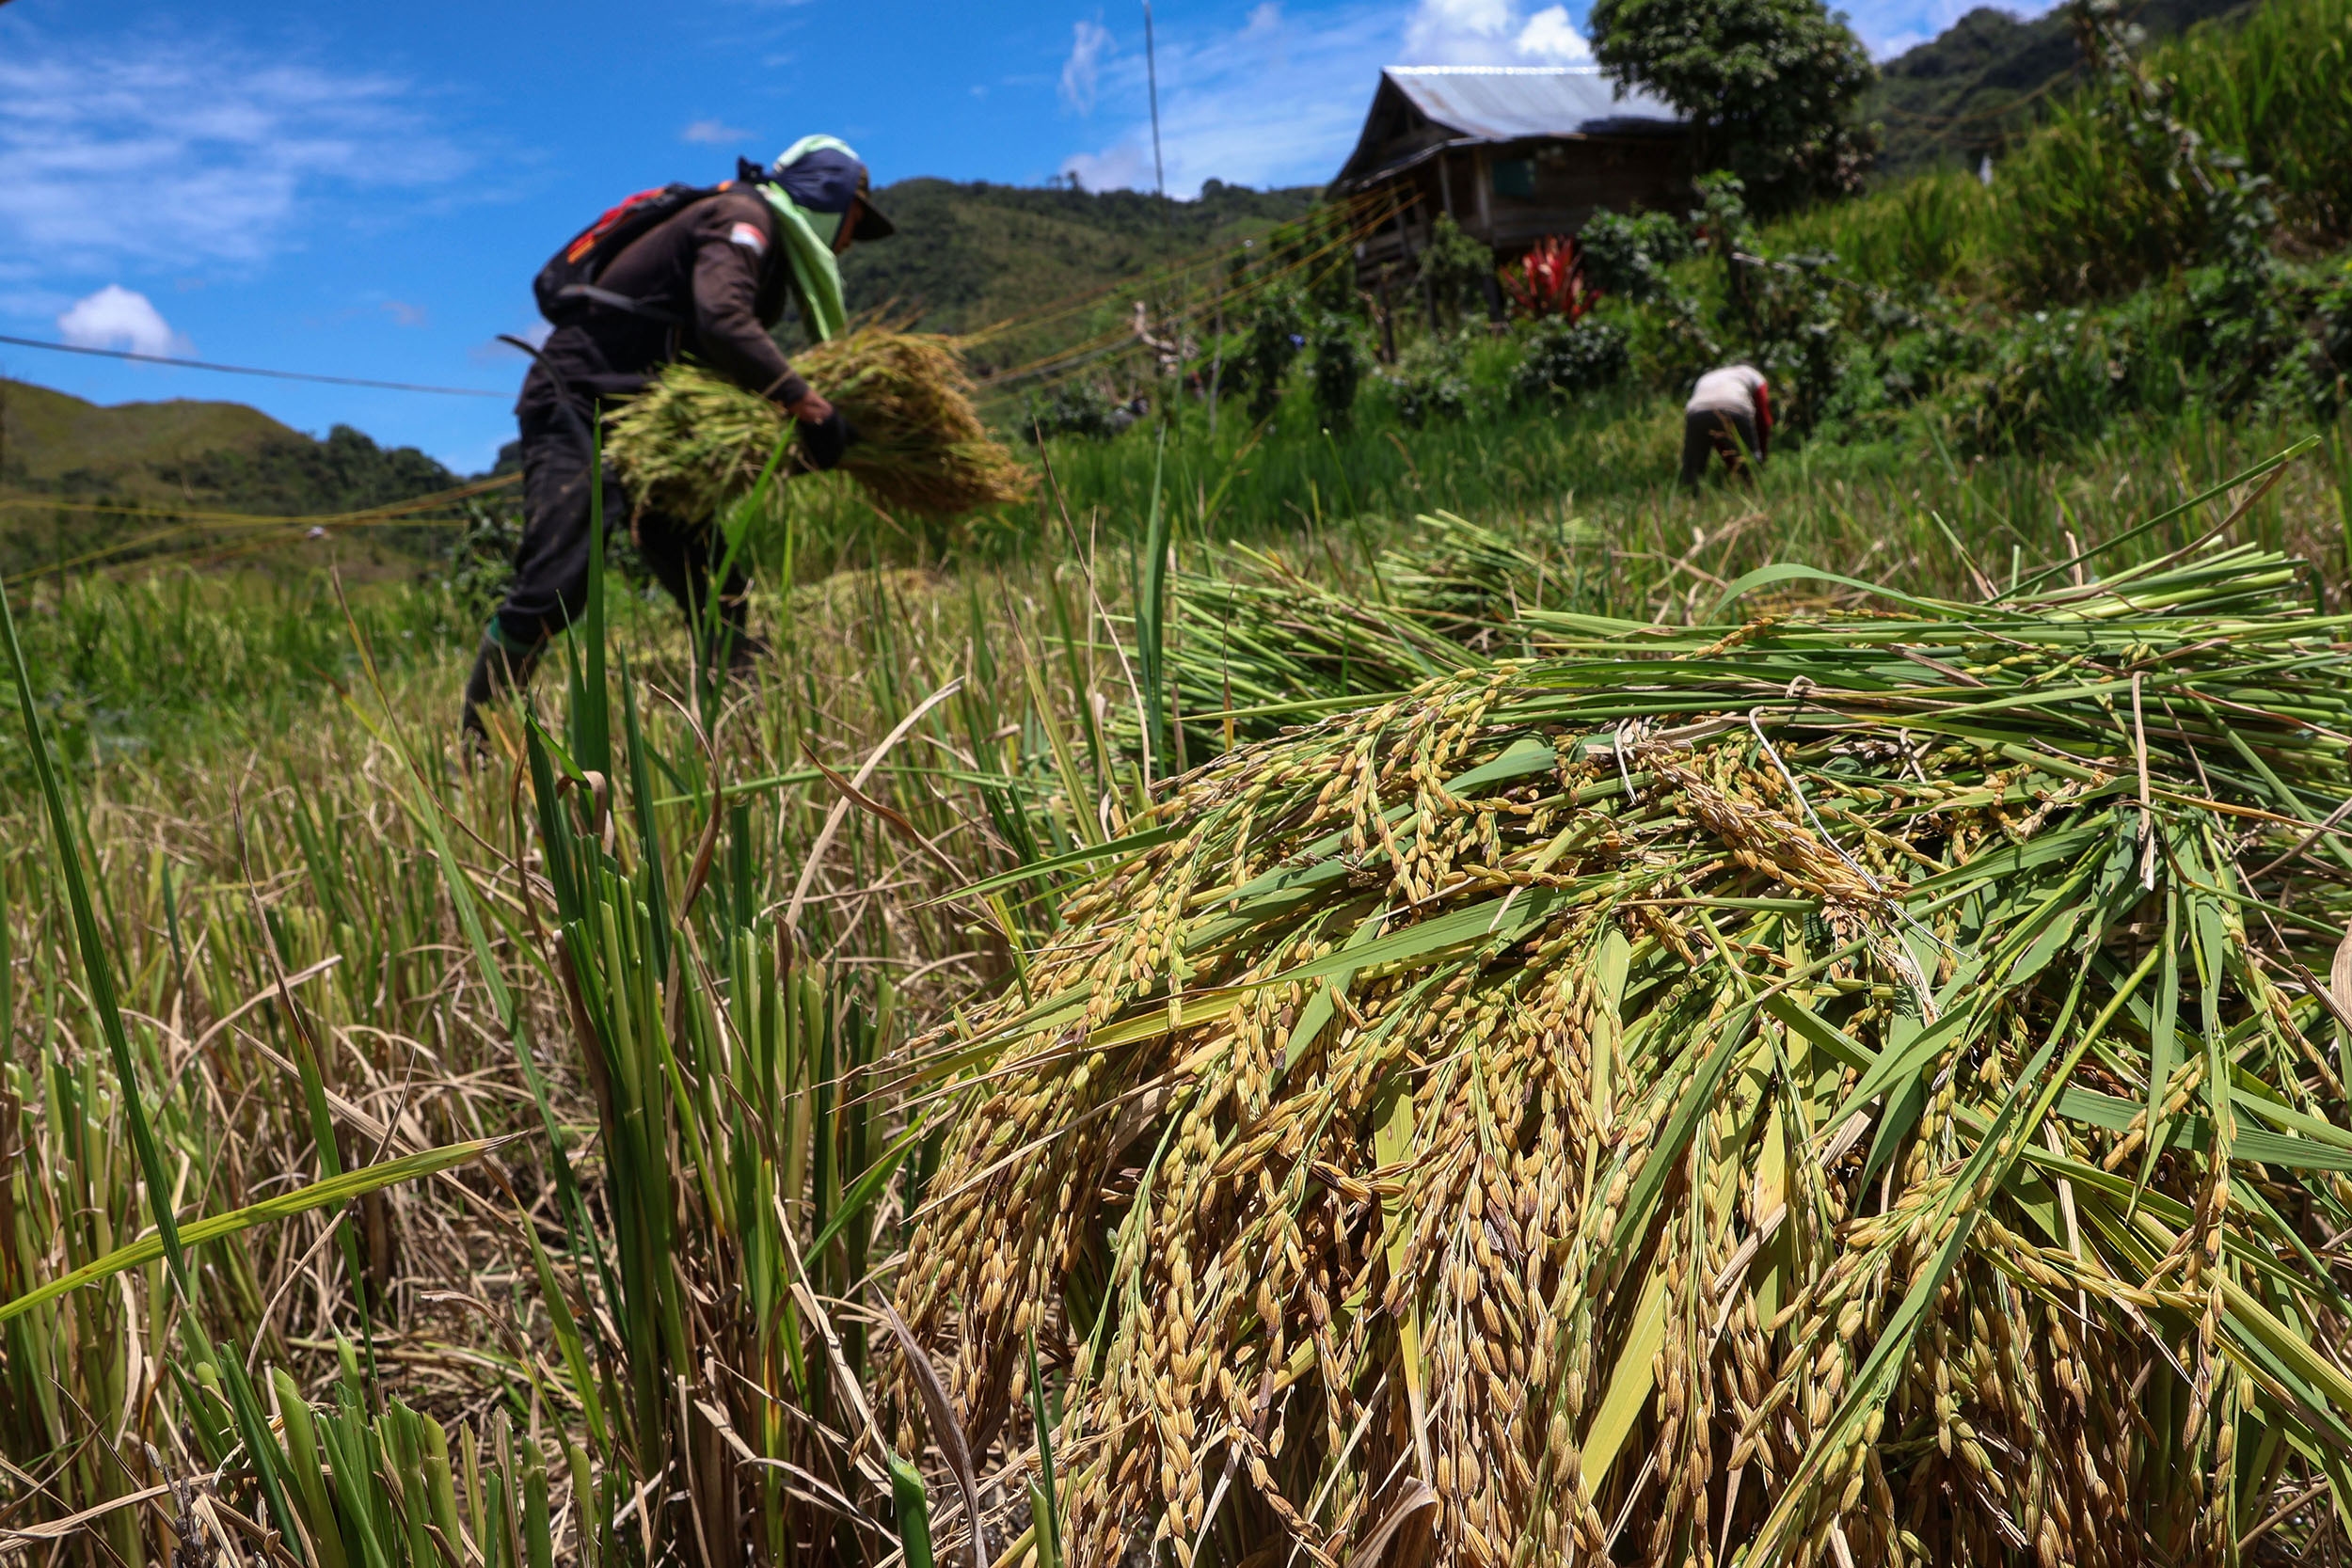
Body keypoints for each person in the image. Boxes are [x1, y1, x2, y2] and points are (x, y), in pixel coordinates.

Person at [462, 135, 896, 743]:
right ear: (830, 196)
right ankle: (480, 743)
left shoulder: (755, 232)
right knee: (556, 583)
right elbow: (723, 321)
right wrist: (806, 403)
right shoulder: (743, 218)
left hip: (647, 421)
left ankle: (737, 727)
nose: (849, 239)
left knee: (710, 575)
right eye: (854, 218)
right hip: (578, 404)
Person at [1680, 363, 1772, 487]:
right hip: (1735, 409)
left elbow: (1718, 436)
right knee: (1750, 467)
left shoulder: (1709, 376)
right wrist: (1760, 454)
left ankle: (1688, 497)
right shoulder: (1754, 375)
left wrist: (1731, 463)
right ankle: (1754, 493)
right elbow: (1763, 417)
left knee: (1693, 469)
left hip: (1696, 412)